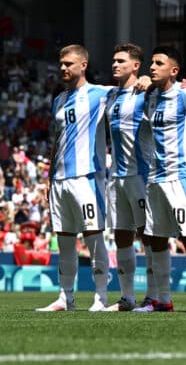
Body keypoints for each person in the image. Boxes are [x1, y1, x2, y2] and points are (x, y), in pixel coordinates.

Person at [133, 46, 186, 313]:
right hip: (155, 177)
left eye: (158, 63)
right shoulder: (150, 98)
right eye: (151, 63)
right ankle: (162, 299)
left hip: (181, 176)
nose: (152, 67)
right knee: (155, 237)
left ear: (174, 70)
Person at [36, 45, 112, 312]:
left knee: (93, 236)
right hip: (59, 180)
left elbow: (130, 89)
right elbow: (57, 140)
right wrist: (48, 177)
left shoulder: (101, 94)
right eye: (61, 64)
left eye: (68, 64)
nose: (63, 68)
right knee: (65, 239)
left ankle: (101, 296)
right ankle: (65, 297)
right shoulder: (58, 100)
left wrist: (144, 81)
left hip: (87, 178)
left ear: (83, 65)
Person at [103, 43, 156, 311]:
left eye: (121, 61)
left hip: (140, 175)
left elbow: (171, 87)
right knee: (121, 235)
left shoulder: (146, 93)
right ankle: (127, 297)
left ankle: (153, 296)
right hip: (116, 178)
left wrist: (150, 80)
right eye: (113, 60)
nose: (115, 64)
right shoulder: (110, 95)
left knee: (148, 236)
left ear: (136, 65)